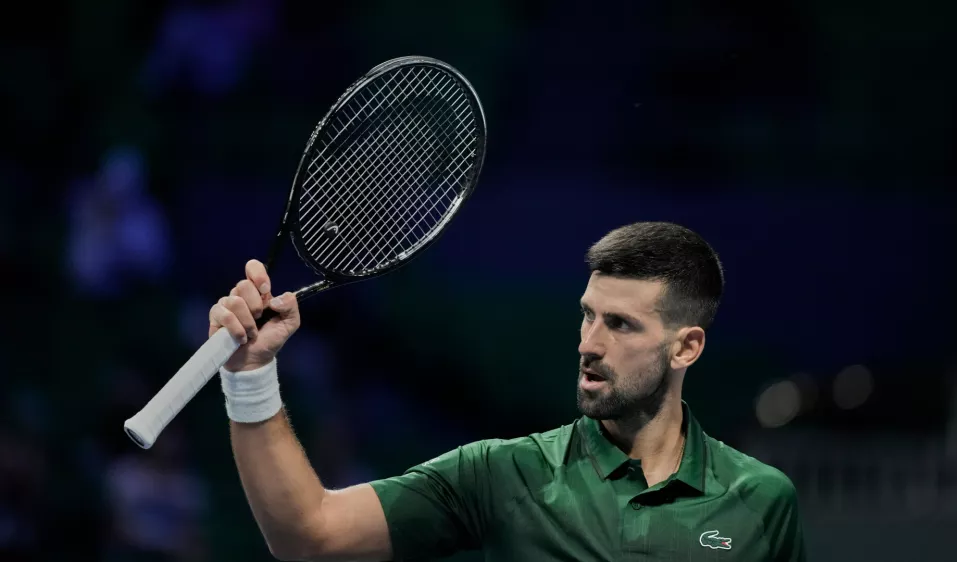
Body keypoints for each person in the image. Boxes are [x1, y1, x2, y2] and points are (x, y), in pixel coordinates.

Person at [210, 221, 806, 561]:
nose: (588, 343)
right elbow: (308, 534)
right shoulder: (500, 475)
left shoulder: (762, 502)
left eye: (620, 324)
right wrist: (250, 376)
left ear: (686, 348)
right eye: (587, 315)